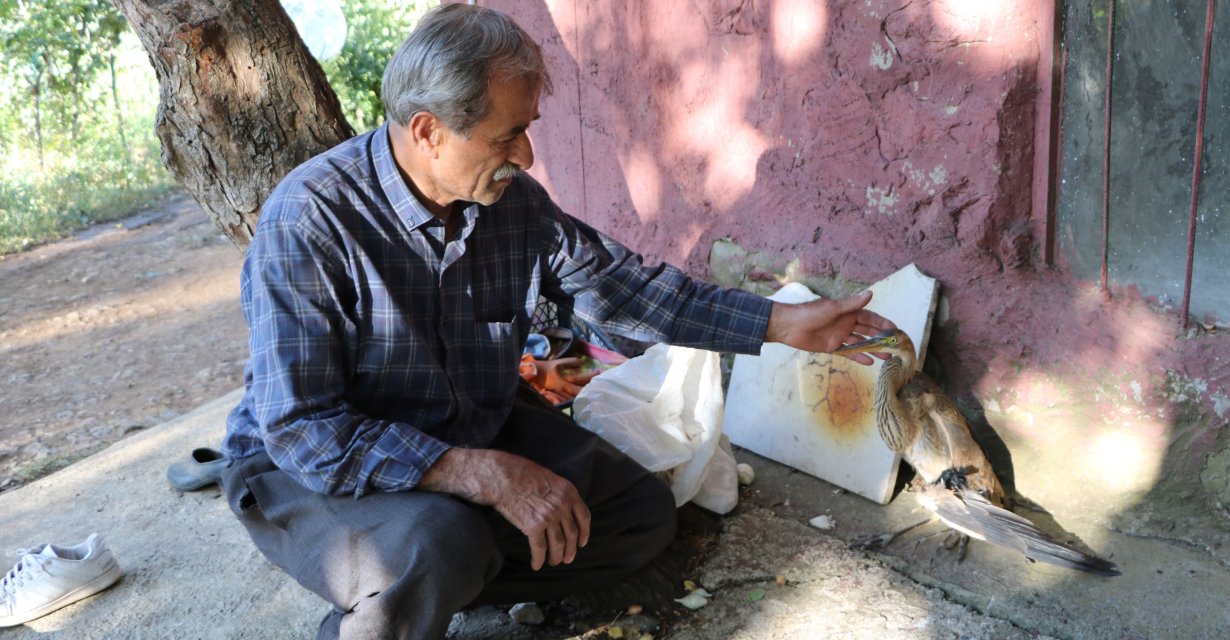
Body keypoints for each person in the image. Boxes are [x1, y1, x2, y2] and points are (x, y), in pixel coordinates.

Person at [220, 4, 894, 639]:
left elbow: (626, 291)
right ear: (428, 131)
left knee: (637, 516)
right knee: (435, 542)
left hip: (463, 427)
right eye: (507, 135)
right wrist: (486, 477)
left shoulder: (513, 206)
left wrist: (780, 324)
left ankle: (444, 567)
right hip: (307, 469)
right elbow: (302, 430)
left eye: (529, 128)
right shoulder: (307, 221)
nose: (527, 157)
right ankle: (409, 582)